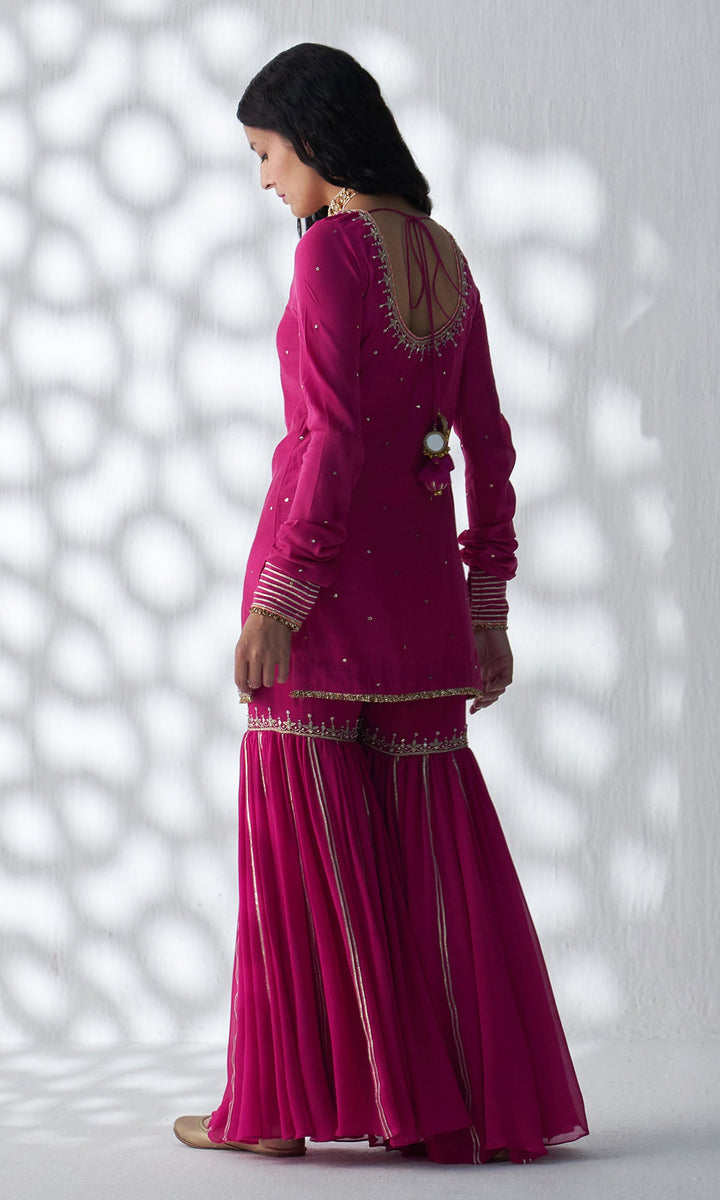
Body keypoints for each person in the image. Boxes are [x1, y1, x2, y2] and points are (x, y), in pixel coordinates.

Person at [174, 42, 589, 1165]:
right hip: (423, 609)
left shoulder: (329, 254)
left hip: (321, 601)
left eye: (267, 153)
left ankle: (276, 1112)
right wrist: (487, 604)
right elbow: (486, 444)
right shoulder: (444, 255)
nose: (265, 178)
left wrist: (281, 598)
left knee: (304, 860)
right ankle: (447, 1106)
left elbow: (333, 436)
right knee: (427, 861)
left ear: (315, 140)